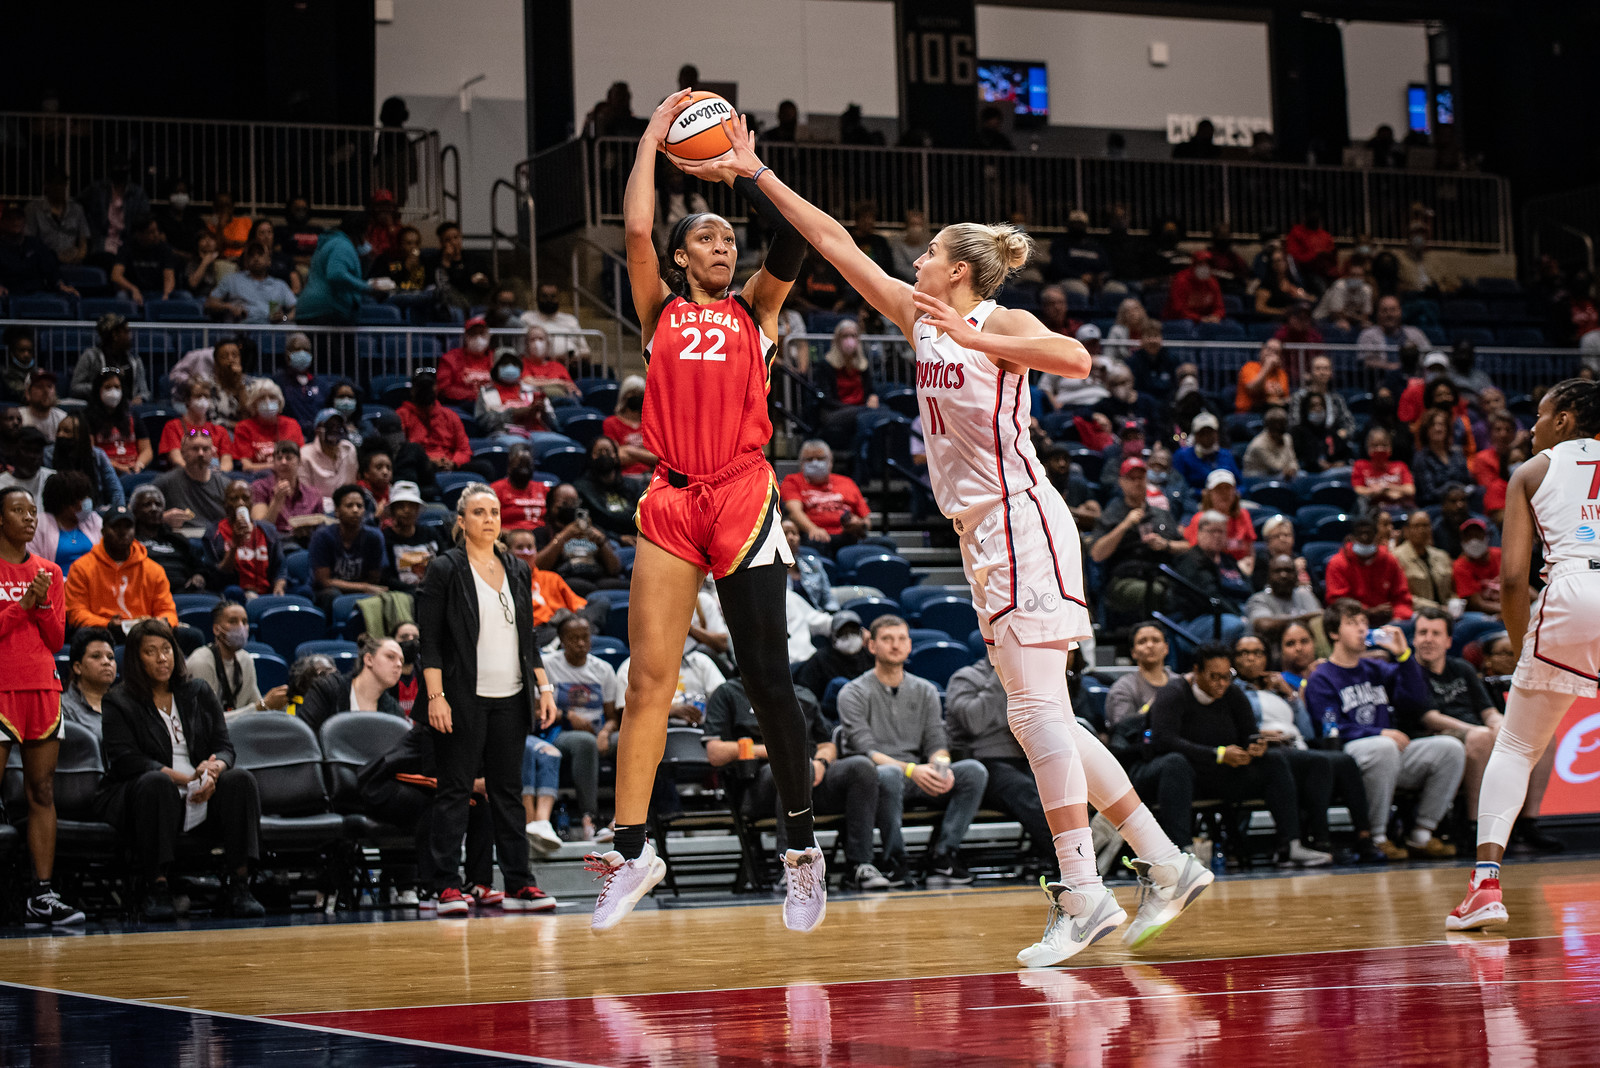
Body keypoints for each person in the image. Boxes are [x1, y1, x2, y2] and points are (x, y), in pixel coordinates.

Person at [692, 112, 1213, 964]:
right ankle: (1163, 861)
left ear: (961, 268)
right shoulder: (920, 314)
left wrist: (980, 336)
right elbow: (829, 241)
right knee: (1047, 716)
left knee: (1038, 712)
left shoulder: (999, 324)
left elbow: (1078, 361)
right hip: (985, 534)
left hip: (1019, 520)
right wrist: (754, 174)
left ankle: (1083, 891)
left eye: (929, 252)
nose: (916, 260)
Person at [577, 92, 831, 935]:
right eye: (708, 240)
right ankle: (631, 849)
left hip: (744, 492)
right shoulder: (661, 312)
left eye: (729, 239)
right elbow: (639, 233)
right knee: (648, 682)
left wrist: (745, 170)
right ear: (685, 261)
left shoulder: (755, 311)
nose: (723, 246)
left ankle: (801, 854)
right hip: (673, 498)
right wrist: (652, 140)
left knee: (766, 678)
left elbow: (794, 240)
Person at [1448, 381, 1600, 929]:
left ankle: (1485, 886)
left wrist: (1521, 650)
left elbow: (1513, 578)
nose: (1531, 426)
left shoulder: (1532, 471)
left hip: (1572, 593)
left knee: (1514, 746)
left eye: (1539, 415)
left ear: (1564, 421)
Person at [416, 485, 560, 916]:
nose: (489, 518)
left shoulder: (517, 567)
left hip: (511, 696)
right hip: (461, 696)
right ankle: (445, 885)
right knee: (455, 791)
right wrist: (436, 697)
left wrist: (544, 686)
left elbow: (527, 637)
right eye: (478, 512)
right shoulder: (445, 568)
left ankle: (519, 883)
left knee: (508, 793)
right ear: (461, 521)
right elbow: (430, 641)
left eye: (494, 511)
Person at [95, 619, 265, 921]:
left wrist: (214, 770)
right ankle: (157, 887)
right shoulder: (119, 700)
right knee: (155, 784)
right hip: (147, 792)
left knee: (240, 780)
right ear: (136, 658)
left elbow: (225, 746)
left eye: (166, 649)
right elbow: (125, 759)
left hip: (201, 786)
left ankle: (239, 885)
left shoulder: (197, 691)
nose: (162, 658)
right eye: (151, 652)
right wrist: (183, 778)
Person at [1147, 643, 1332, 867]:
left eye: (1227, 676)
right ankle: (1182, 853)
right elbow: (1164, 741)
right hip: (1189, 776)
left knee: (1273, 760)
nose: (1222, 683)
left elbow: (1250, 733)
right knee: (1175, 764)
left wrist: (1256, 746)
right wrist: (1217, 754)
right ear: (1197, 672)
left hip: (1225, 774)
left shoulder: (1232, 693)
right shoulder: (1173, 693)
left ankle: (1289, 846)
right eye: (1214, 677)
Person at [836, 617, 988, 885]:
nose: (896, 645)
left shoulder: (926, 690)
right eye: (887, 639)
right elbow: (866, 750)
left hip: (918, 774)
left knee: (973, 772)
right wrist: (910, 769)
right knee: (887, 775)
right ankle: (895, 860)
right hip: (878, 778)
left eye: (902, 639)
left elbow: (936, 743)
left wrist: (940, 767)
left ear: (909, 646)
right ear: (871, 646)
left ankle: (943, 856)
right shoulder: (852, 692)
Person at [1309, 599, 1463, 861]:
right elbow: (1331, 729)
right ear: (1334, 633)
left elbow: (1416, 699)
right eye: (1352, 623)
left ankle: (1422, 834)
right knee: (1384, 747)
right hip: (1351, 756)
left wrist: (1404, 656)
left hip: (1389, 753)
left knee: (1451, 748)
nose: (1361, 629)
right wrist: (1377, 734)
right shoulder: (1321, 676)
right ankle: (1376, 836)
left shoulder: (1376, 669)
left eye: (1363, 623)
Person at [0, 486, 85, 925]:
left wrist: (40, 603)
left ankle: (42, 895)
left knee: (43, 791)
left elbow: (55, 640)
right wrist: (23, 604)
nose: (29, 518)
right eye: (18, 511)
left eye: (33, 512)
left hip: (41, 688)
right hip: (0, 688)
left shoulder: (50, 571)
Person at [1230, 634, 1383, 862]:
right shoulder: (1233, 692)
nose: (1251, 659)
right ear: (1235, 659)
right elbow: (1233, 729)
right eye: (1244, 653)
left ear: (1266, 658)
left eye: (1257, 653)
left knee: (1344, 761)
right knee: (1318, 762)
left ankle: (1364, 836)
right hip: (1267, 752)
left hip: (1297, 745)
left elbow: (1308, 731)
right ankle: (1320, 839)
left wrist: (1290, 696)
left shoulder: (1279, 687)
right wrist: (1259, 735)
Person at [946, 652, 1056, 872]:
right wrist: (1002, 673)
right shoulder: (965, 678)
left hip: (1026, 758)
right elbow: (974, 722)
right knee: (1025, 791)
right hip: (983, 763)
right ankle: (1070, 861)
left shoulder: (1029, 677)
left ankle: (1072, 854)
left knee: (1060, 787)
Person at [536, 615, 618, 845]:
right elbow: (536, 709)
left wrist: (605, 733)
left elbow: (612, 717)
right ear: (562, 640)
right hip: (557, 732)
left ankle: (623, 818)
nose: (581, 643)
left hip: (597, 733)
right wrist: (568, 716)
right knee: (584, 741)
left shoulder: (603, 669)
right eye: (574, 639)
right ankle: (589, 817)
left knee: (628, 742)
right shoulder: (549, 665)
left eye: (585, 637)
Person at [64, 503, 179, 640]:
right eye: (115, 526)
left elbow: (167, 611)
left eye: (127, 527)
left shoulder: (153, 570)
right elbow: (76, 613)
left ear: (134, 530)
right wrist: (107, 624)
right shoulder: (81, 568)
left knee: (190, 635)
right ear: (103, 531)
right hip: (103, 632)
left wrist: (161, 623)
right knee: (82, 635)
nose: (122, 532)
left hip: (145, 633)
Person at [186, 602, 288, 715]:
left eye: (244, 622)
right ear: (216, 629)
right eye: (233, 621)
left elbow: (258, 710)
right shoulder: (201, 662)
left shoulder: (246, 659)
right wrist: (262, 706)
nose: (241, 627)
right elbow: (209, 722)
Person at [1168, 511, 1251, 643]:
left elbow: (1248, 588)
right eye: (1212, 531)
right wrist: (1240, 616)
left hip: (1235, 608)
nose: (1217, 536)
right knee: (1239, 625)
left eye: (1221, 532)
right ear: (1199, 533)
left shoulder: (1227, 560)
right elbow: (1211, 596)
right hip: (1200, 618)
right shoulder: (1190, 560)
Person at [295, 635, 405, 734]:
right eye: (390, 656)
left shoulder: (395, 712)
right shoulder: (328, 689)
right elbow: (304, 738)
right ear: (369, 659)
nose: (399, 664)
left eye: (402, 660)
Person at [780, 440, 874, 556]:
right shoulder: (792, 481)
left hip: (848, 536)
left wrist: (860, 525)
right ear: (801, 463)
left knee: (886, 544)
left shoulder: (847, 482)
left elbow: (866, 519)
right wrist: (812, 529)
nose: (815, 462)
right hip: (814, 537)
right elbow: (794, 512)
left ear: (830, 462)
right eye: (809, 459)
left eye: (820, 458)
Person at [398, 367, 490, 479]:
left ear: (436, 388)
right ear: (412, 390)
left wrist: (454, 463)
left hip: (449, 463)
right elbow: (401, 451)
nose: (425, 391)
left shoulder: (450, 416)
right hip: (421, 467)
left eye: (429, 386)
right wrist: (429, 462)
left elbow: (463, 449)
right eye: (421, 387)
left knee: (485, 467)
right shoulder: (401, 415)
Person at [307, 485, 386, 612]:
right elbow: (325, 581)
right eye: (349, 506)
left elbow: (374, 578)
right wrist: (363, 587)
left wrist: (366, 588)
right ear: (337, 511)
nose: (355, 510)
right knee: (332, 595)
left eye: (359, 506)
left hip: (363, 590)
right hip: (327, 593)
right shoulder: (322, 537)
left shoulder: (374, 537)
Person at [1324, 515, 1414, 625]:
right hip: (1352, 621)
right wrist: (1367, 611)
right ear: (1351, 538)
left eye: (1369, 533)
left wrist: (1398, 617)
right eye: (1360, 534)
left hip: (1390, 621)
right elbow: (1337, 601)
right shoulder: (1338, 563)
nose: (1365, 537)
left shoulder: (1389, 560)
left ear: (1377, 536)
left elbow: (1402, 597)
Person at [205, 478, 285, 599]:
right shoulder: (214, 532)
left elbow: (280, 566)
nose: (241, 503)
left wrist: (279, 585)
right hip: (235, 593)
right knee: (233, 592)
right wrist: (235, 545)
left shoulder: (268, 530)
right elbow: (217, 576)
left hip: (267, 592)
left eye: (245, 498)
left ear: (252, 502)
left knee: (303, 592)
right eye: (234, 499)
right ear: (225, 503)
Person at [811, 318, 880, 453]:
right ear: (837, 339)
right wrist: (858, 408)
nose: (850, 340)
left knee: (881, 411)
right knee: (867, 415)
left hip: (861, 409)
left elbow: (871, 390)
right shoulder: (826, 365)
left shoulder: (863, 365)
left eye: (853, 336)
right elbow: (828, 400)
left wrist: (873, 397)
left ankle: (866, 457)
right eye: (845, 336)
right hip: (834, 412)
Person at [297, 212, 375, 326]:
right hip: (326, 311)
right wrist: (367, 288)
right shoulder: (342, 245)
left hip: (313, 309)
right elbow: (336, 274)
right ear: (360, 233)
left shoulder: (331, 242)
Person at [27, 471, 101, 576]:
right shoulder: (39, 525)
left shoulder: (93, 519)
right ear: (64, 504)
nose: (87, 502)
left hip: (93, 583)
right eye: (81, 498)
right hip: (57, 586)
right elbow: (34, 565)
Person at [251, 440, 327, 539]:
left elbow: (321, 529)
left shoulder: (313, 494)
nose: (283, 462)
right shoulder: (260, 487)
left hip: (307, 541)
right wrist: (276, 501)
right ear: (273, 462)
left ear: (299, 462)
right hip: (277, 542)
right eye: (279, 458)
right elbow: (260, 529)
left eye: (288, 458)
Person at [575, 435, 644, 544]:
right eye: (598, 452)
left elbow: (644, 515)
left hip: (638, 538)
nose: (604, 455)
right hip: (606, 542)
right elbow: (585, 523)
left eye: (608, 451)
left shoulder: (633, 485)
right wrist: (618, 538)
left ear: (616, 457)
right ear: (590, 457)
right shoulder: (581, 489)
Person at [45, 414, 123, 509]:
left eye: (66, 431)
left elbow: (115, 489)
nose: (60, 435)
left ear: (80, 435)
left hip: (96, 510)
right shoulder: (48, 454)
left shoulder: (97, 455)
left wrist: (119, 511)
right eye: (59, 430)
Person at [70, 313, 150, 404]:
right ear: (115, 335)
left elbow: (145, 391)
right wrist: (102, 387)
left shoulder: (135, 360)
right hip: (97, 409)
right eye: (126, 332)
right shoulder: (91, 356)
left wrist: (141, 398)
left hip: (128, 410)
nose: (130, 336)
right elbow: (75, 387)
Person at [153, 431, 229, 527]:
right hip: (181, 538)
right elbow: (136, 510)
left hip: (215, 538)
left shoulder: (225, 485)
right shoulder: (166, 481)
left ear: (212, 453)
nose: (201, 453)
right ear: (183, 453)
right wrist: (162, 518)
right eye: (195, 449)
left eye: (205, 449)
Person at [206, 242, 296, 323]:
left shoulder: (279, 285)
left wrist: (284, 317)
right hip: (240, 333)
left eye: (260, 254)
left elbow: (297, 309)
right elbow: (209, 303)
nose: (256, 258)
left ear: (269, 261)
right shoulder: (232, 280)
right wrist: (229, 307)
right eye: (251, 255)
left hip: (271, 333)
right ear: (246, 261)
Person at [84, 369, 150, 476]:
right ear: (98, 390)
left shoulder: (132, 415)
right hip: (105, 472)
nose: (113, 392)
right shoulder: (88, 417)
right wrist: (116, 466)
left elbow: (147, 449)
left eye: (117, 387)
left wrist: (139, 465)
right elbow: (90, 453)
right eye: (107, 387)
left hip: (134, 470)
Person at [1181, 470, 1255, 563]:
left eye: (1228, 488)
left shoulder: (1243, 514)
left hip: (1238, 570)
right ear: (1209, 494)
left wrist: (1248, 564)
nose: (1224, 493)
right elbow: (1194, 551)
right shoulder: (1200, 519)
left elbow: (1250, 550)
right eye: (1218, 489)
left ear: (1235, 492)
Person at [1246, 555, 1323, 644]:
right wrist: (1307, 617)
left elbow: (1318, 623)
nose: (1283, 575)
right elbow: (1264, 625)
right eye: (1278, 571)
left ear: (1296, 575)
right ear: (1268, 576)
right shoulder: (1258, 599)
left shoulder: (1304, 595)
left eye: (1288, 570)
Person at [159, 379, 234, 472]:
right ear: (187, 400)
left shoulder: (219, 431)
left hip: (214, 477)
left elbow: (227, 463)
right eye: (198, 396)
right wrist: (198, 474)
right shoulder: (173, 427)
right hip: (184, 478)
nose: (203, 400)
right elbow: (176, 459)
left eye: (206, 396)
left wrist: (213, 475)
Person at [380, 481, 441, 591]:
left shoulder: (430, 533)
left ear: (417, 509)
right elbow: (387, 578)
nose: (407, 510)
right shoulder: (385, 538)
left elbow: (444, 564)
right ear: (393, 510)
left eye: (411, 506)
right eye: (401, 506)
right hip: (403, 595)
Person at [233, 380, 304, 471]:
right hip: (256, 479)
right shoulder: (244, 427)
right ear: (254, 404)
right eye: (262, 398)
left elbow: (301, 460)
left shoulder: (291, 425)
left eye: (272, 397)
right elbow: (247, 466)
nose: (267, 401)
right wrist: (278, 466)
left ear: (279, 402)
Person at [60, 625, 117, 739]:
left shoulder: (126, 704)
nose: (106, 662)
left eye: (110, 657)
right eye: (96, 656)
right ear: (77, 667)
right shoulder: (62, 708)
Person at [1394, 509, 1456, 612]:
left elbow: (1452, 590)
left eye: (1426, 526)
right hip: (1416, 613)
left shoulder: (1441, 556)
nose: (1422, 530)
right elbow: (1403, 596)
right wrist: (1437, 608)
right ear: (1406, 531)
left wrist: (1455, 604)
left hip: (1447, 612)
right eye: (1417, 526)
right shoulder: (1396, 558)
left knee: (1479, 621)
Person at [25, 168, 91, 265]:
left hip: (72, 263)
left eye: (61, 183)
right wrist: (51, 257)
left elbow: (83, 241)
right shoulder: (33, 209)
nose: (58, 187)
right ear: (46, 185)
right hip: (43, 262)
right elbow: (29, 241)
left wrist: (79, 256)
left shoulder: (76, 209)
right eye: (54, 183)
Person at [109, 215, 177, 305]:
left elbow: (169, 278)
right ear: (139, 234)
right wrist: (133, 289)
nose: (156, 235)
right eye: (151, 232)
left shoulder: (165, 249)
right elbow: (116, 276)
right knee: (121, 296)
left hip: (157, 293)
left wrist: (166, 294)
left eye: (157, 230)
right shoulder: (127, 248)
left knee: (185, 296)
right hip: (133, 293)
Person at [1286, 355, 1355, 439]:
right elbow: (1294, 424)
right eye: (1318, 369)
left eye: (1326, 369)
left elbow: (1350, 424)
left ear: (1331, 373)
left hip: (1331, 441)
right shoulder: (1299, 397)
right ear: (1310, 373)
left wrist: (1344, 433)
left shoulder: (1337, 399)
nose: (1322, 372)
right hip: (1306, 442)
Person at [521, 282, 592, 361]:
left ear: (559, 298)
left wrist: (572, 357)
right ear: (537, 298)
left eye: (553, 296)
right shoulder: (526, 318)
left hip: (571, 365)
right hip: (540, 365)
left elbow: (586, 350)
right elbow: (522, 349)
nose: (549, 300)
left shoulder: (570, 320)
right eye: (544, 296)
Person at [1358, 295, 1431, 368]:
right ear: (1377, 314)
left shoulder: (1415, 333)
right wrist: (1391, 367)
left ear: (1400, 312)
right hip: (1380, 378)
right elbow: (1366, 361)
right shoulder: (1368, 335)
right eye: (1384, 310)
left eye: (1393, 310)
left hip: (1414, 377)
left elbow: (1428, 355)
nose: (1389, 314)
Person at [300, 411, 358, 501]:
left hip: (346, 505)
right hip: (317, 508)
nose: (334, 430)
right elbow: (305, 495)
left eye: (338, 426)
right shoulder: (304, 455)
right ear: (317, 429)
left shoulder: (349, 449)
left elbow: (352, 485)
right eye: (329, 426)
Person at [1173, 412, 1240, 491]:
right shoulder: (1182, 456)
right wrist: (1207, 495)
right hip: (1197, 500)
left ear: (1217, 433)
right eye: (1202, 433)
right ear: (1195, 435)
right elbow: (1180, 488)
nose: (1206, 436)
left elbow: (1240, 484)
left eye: (1210, 432)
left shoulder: (1226, 455)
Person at [490, 443, 547, 532]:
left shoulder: (543, 489)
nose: (524, 470)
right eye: (520, 465)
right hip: (509, 537)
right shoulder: (496, 489)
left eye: (527, 465)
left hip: (540, 538)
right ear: (509, 466)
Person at [1453, 517, 1503, 618]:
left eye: (1477, 536)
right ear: (1462, 542)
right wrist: (1510, 611)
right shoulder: (1460, 566)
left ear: (1486, 537)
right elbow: (1477, 604)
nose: (1474, 541)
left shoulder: (1500, 555)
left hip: (1509, 604)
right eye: (1469, 537)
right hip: (1483, 614)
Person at [1292, 391, 1352, 474]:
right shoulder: (1297, 433)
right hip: (1308, 473)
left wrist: (1339, 463)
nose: (1318, 409)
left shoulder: (1330, 431)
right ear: (1305, 409)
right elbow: (1298, 459)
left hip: (1331, 471)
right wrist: (1316, 464)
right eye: (1313, 406)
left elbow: (1345, 454)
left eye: (1321, 405)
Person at [439, 317, 494, 406]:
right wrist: (474, 395)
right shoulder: (451, 358)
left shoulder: (495, 358)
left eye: (481, 333)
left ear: (488, 335)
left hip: (493, 403)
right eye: (473, 334)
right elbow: (444, 389)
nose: (478, 338)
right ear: (466, 337)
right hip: (462, 404)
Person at [1162, 251, 1224, 323]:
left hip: (1205, 321)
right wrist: (1200, 318)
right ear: (1194, 264)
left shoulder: (1212, 282)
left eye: (1208, 264)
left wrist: (1216, 316)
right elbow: (1178, 310)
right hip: (1178, 320)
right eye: (1201, 263)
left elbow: (1219, 307)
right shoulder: (1181, 280)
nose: (1204, 267)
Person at [1242, 406, 1300, 480]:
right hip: (1256, 479)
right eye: (1276, 430)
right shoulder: (1258, 444)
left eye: (1281, 430)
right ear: (1268, 428)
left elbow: (1293, 460)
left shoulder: (1286, 437)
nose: (1279, 433)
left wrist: (1293, 468)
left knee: (1301, 476)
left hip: (1276, 475)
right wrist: (1282, 445)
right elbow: (1277, 466)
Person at [1235, 338, 1291, 414]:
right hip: (1248, 412)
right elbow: (1252, 389)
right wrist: (1267, 367)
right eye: (1269, 349)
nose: (1271, 354)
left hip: (1274, 411)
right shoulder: (1249, 366)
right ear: (1262, 350)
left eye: (1276, 352)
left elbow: (1284, 397)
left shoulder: (1282, 373)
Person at [18, 370, 66, 439]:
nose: (46, 391)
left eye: (49, 386)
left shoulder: (63, 419)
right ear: (27, 394)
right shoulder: (17, 419)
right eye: (39, 386)